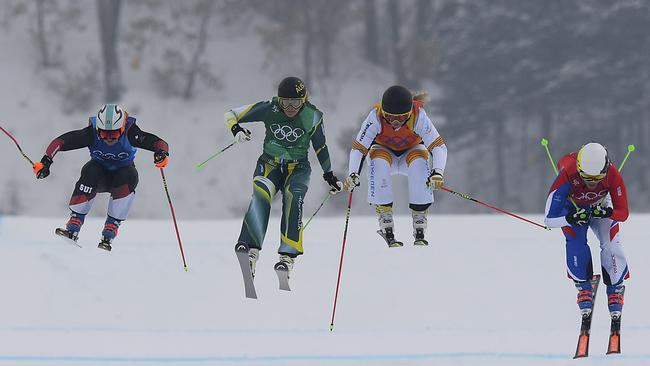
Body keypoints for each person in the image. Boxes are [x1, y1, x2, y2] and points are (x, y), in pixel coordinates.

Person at [225, 76, 342, 280]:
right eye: (285, 101)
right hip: (269, 164)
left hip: (298, 168)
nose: (289, 107)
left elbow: (321, 147)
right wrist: (237, 130)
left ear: (304, 100)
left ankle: (287, 256)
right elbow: (231, 114)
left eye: (295, 102)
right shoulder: (270, 108)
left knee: (292, 197)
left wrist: (329, 174)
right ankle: (251, 249)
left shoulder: (312, 116)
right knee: (261, 194)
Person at [33, 104, 169, 251]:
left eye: (114, 134)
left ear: (123, 128)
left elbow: (159, 143)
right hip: (98, 177)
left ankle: (111, 227)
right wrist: (46, 162)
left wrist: (161, 154)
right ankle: (74, 224)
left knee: (130, 174)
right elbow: (60, 142)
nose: (109, 139)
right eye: (104, 134)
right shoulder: (91, 133)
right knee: (90, 169)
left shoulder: (131, 133)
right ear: (98, 129)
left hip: (122, 177)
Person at [343, 85, 448, 247]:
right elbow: (359, 149)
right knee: (378, 161)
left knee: (420, 161)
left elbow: (438, 147)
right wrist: (353, 174)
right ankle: (385, 216)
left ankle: (419, 218)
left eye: (401, 117)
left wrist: (437, 173)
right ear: (383, 111)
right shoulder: (375, 118)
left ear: (409, 112)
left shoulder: (418, 116)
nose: (396, 122)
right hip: (385, 152)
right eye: (390, 117)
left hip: (411, 153)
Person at [544, 142, 629, 320]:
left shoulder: (613, 174)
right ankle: (583, 285)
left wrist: (608, 212)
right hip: (573, 209)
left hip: (600, 206)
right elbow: (550, 219)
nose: (591, 184)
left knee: (611, 243)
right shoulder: (568, 173)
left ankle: (616, 287)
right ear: (579, 169)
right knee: (576, 242)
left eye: (597, 179)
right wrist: (570, 218)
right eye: (586, 179)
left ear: (605, 170)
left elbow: (623, 213)